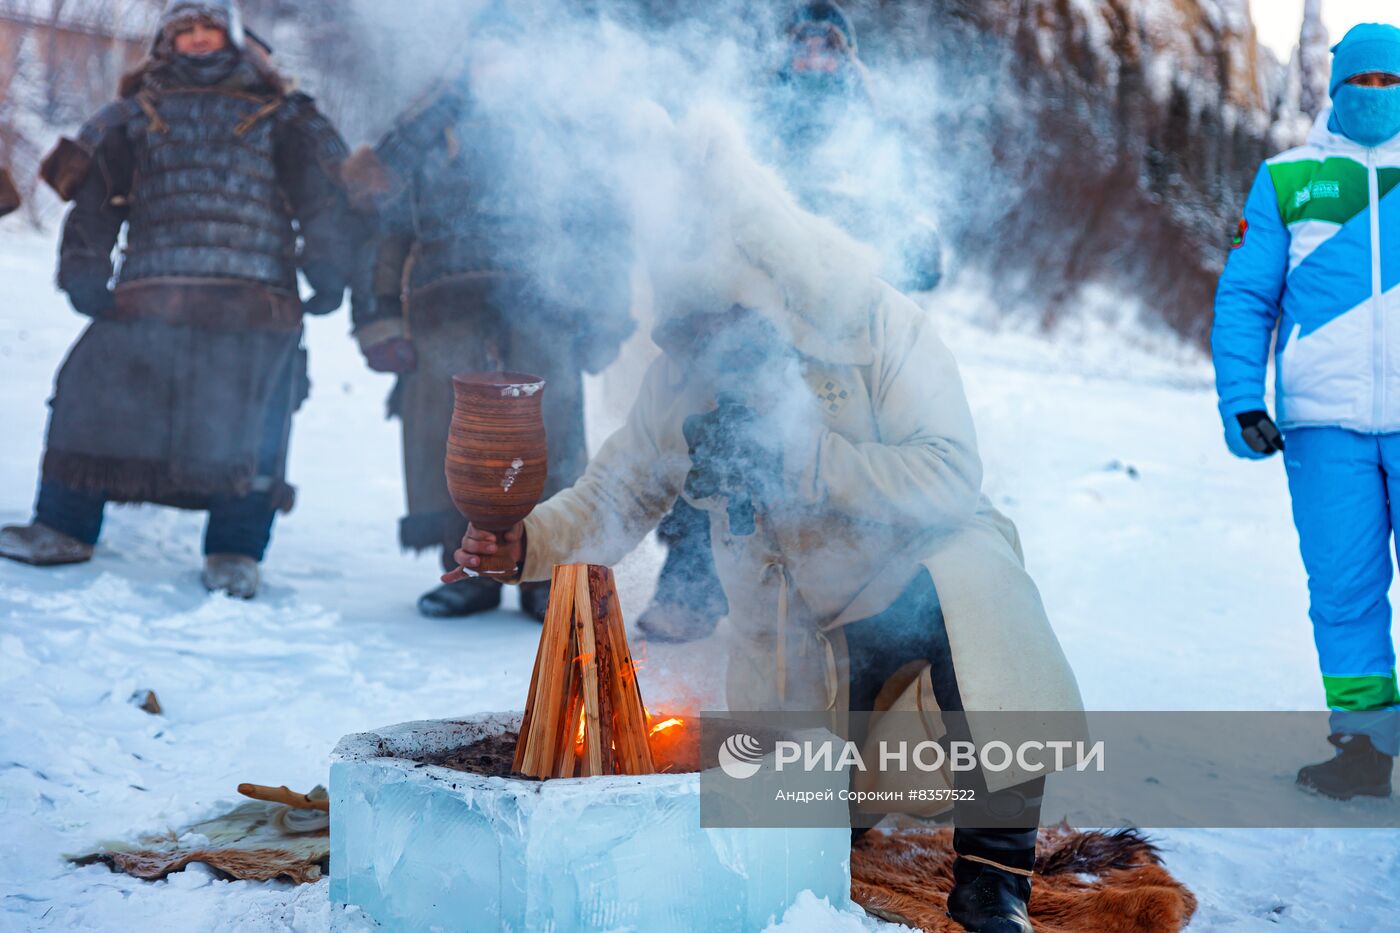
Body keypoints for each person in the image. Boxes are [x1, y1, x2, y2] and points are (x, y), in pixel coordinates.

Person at [456, 112, 1082, 932]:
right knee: (798, 828)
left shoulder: (877, 325)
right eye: (697, 331)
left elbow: (949, 473)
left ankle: (993, 875)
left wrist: (809, 463)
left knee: (978, 579)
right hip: (798, 638)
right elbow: (609, 501)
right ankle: (844, 810)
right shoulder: (679, 385)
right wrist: (519, 543)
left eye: (731, 326)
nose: (714, 350)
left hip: (914, 579)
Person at [0, 0, 354, 599]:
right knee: (88, 395)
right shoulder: (132, 114)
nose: (195, 39)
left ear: (235, 37)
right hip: (148, 296)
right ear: (166, 41)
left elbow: (326, 202)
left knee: (251, 425)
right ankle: (63, 525)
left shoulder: (288, 116)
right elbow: (91, 197)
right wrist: (84, 272)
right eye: (182, 29)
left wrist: (329, 268)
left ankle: (235, 550)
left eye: (208, 27)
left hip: (254, 301)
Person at [637, 0, 943, 644]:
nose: (812, 58)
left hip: (847, 324)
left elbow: (917, 228)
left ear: (845, 55)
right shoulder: (755, 128)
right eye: (801, 45)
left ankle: (857, 599)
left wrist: (911, 248)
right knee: (724, 434)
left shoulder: (875, 137)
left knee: (850, 454)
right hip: (761, 321)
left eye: (826, 46)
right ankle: (691, 590)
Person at [346, 7, 633, 622]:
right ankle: (471, 570)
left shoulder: (564, 133)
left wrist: (605, 316)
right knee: (458, 443)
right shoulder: (425, 132)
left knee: (546, 440)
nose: (497, 68)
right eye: (487, 55)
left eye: (509, 55)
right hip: (445, 308)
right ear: (470, 62)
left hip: (545, 306)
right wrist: (379, 322)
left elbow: (603, 234)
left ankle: (543, 577)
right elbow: (384, 233)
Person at [1213, 23, 1400, 800]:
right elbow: (1247, 295)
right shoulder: (1287, 178)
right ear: (1337, 85)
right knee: (1345, 588)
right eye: (1364, 82)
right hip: (1323, 427)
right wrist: (1241, 399)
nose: (1377, 95)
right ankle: (1364, 747)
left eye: (1392, 83)